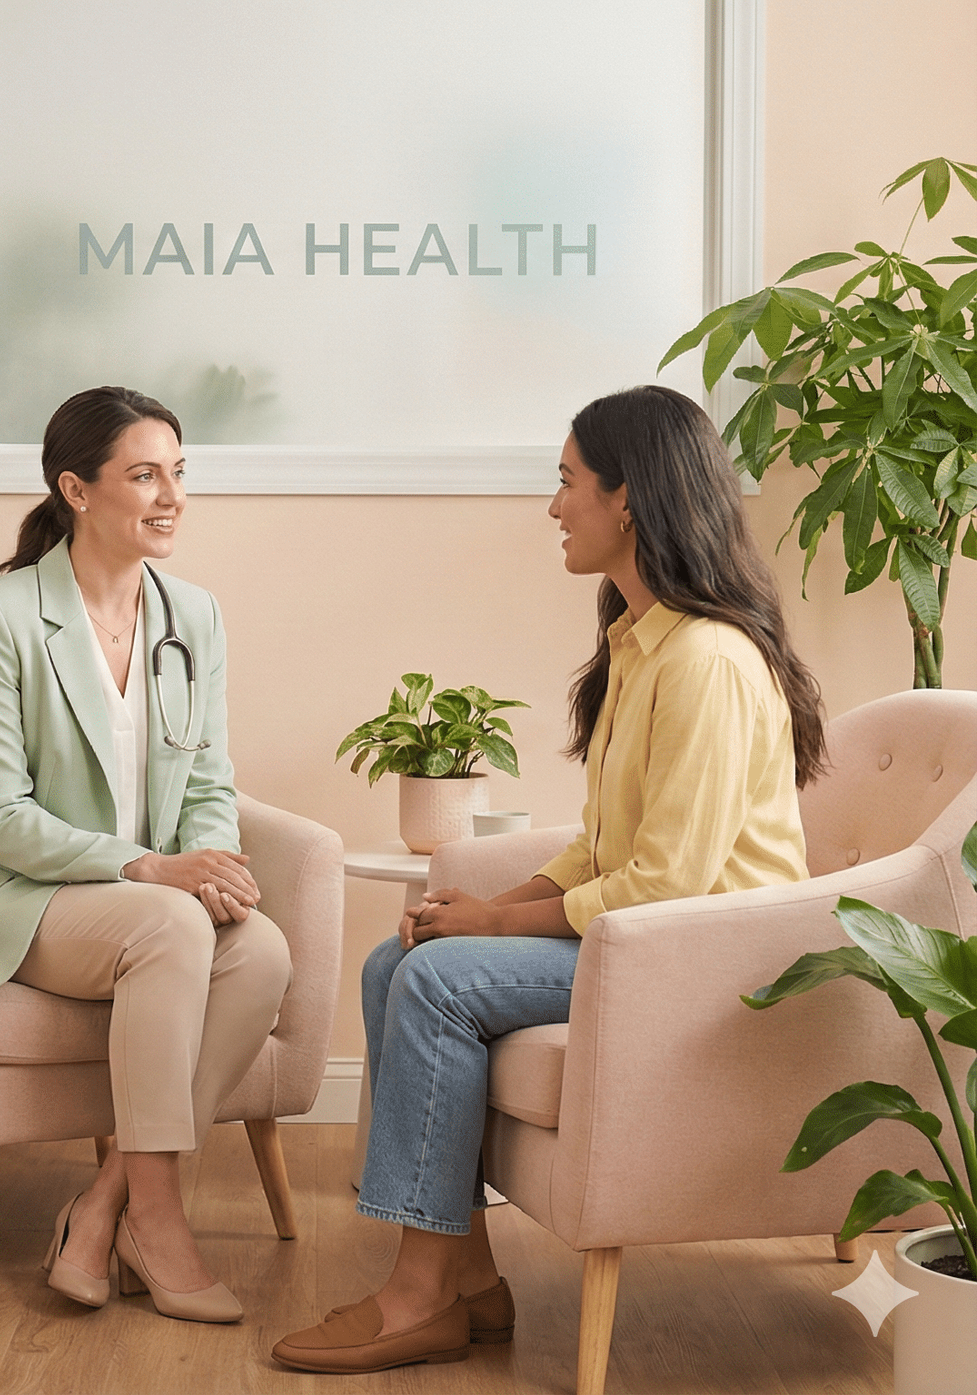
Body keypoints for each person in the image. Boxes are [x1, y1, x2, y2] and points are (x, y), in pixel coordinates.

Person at [272, 384, 824, 1374]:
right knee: (392, 965)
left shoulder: (705, 659)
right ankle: (466, 1284)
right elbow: (603, 848)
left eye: (566, 481)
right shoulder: (638, 644)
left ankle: (415, 1296)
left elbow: (668, 885)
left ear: (627, 498)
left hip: (702, 958)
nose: (552, 505)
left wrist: (491, 926)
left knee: (436, 982)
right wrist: (485, 909)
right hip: (646, 936)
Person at [0, 385, 293, 1323]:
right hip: (12, 896)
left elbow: (207, 780)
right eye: (144, 474)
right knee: (167, 924)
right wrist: (154, 869)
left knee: (263, 950)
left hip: (146, 904)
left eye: (179, 473)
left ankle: (104, 1197)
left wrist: (214, 863)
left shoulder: (194, 615)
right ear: (76, 488)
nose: (171, 497)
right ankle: (159, 1215)